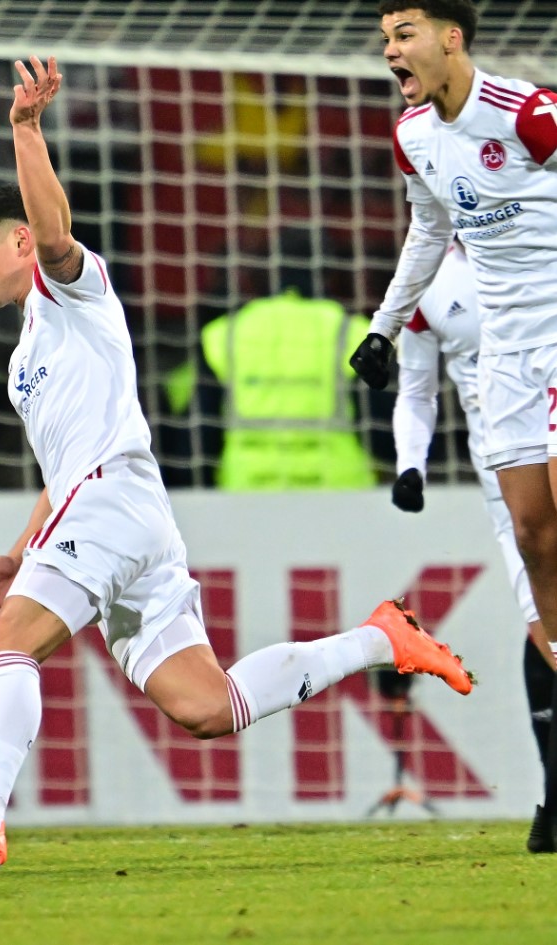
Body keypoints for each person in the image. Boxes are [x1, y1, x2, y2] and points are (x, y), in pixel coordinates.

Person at [0, 56, 472, 875]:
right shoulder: (26, 359)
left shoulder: (71, 293)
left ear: (17, 241)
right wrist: (23, 548)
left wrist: (25, 129)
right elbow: (61, 469)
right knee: (207, 706)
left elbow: (53, 233)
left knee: (6, 646)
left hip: (114, 504)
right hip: (124, 516)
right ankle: (379, 639)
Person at [347, 0, 557, 853]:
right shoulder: (415, 136)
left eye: (404, 34)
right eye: (386, 39)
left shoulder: (533, 115)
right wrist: (385, 326)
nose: (391, 51)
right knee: (536, 534)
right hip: (503, 355)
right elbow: (427, 229)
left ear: (450, 38)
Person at [390, 240, 556, 850]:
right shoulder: (427, 288)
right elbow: (417, 392)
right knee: (545, 627)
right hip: (505, 480)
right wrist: (412, 464)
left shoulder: (539, 243)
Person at [197, 231, 376, 491]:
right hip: (337, 491)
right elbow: (385, 429)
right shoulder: (354, 333)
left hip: (246, 490)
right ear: (329, 272)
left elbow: (201, 434)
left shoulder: (225, 333)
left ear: (269, 271)